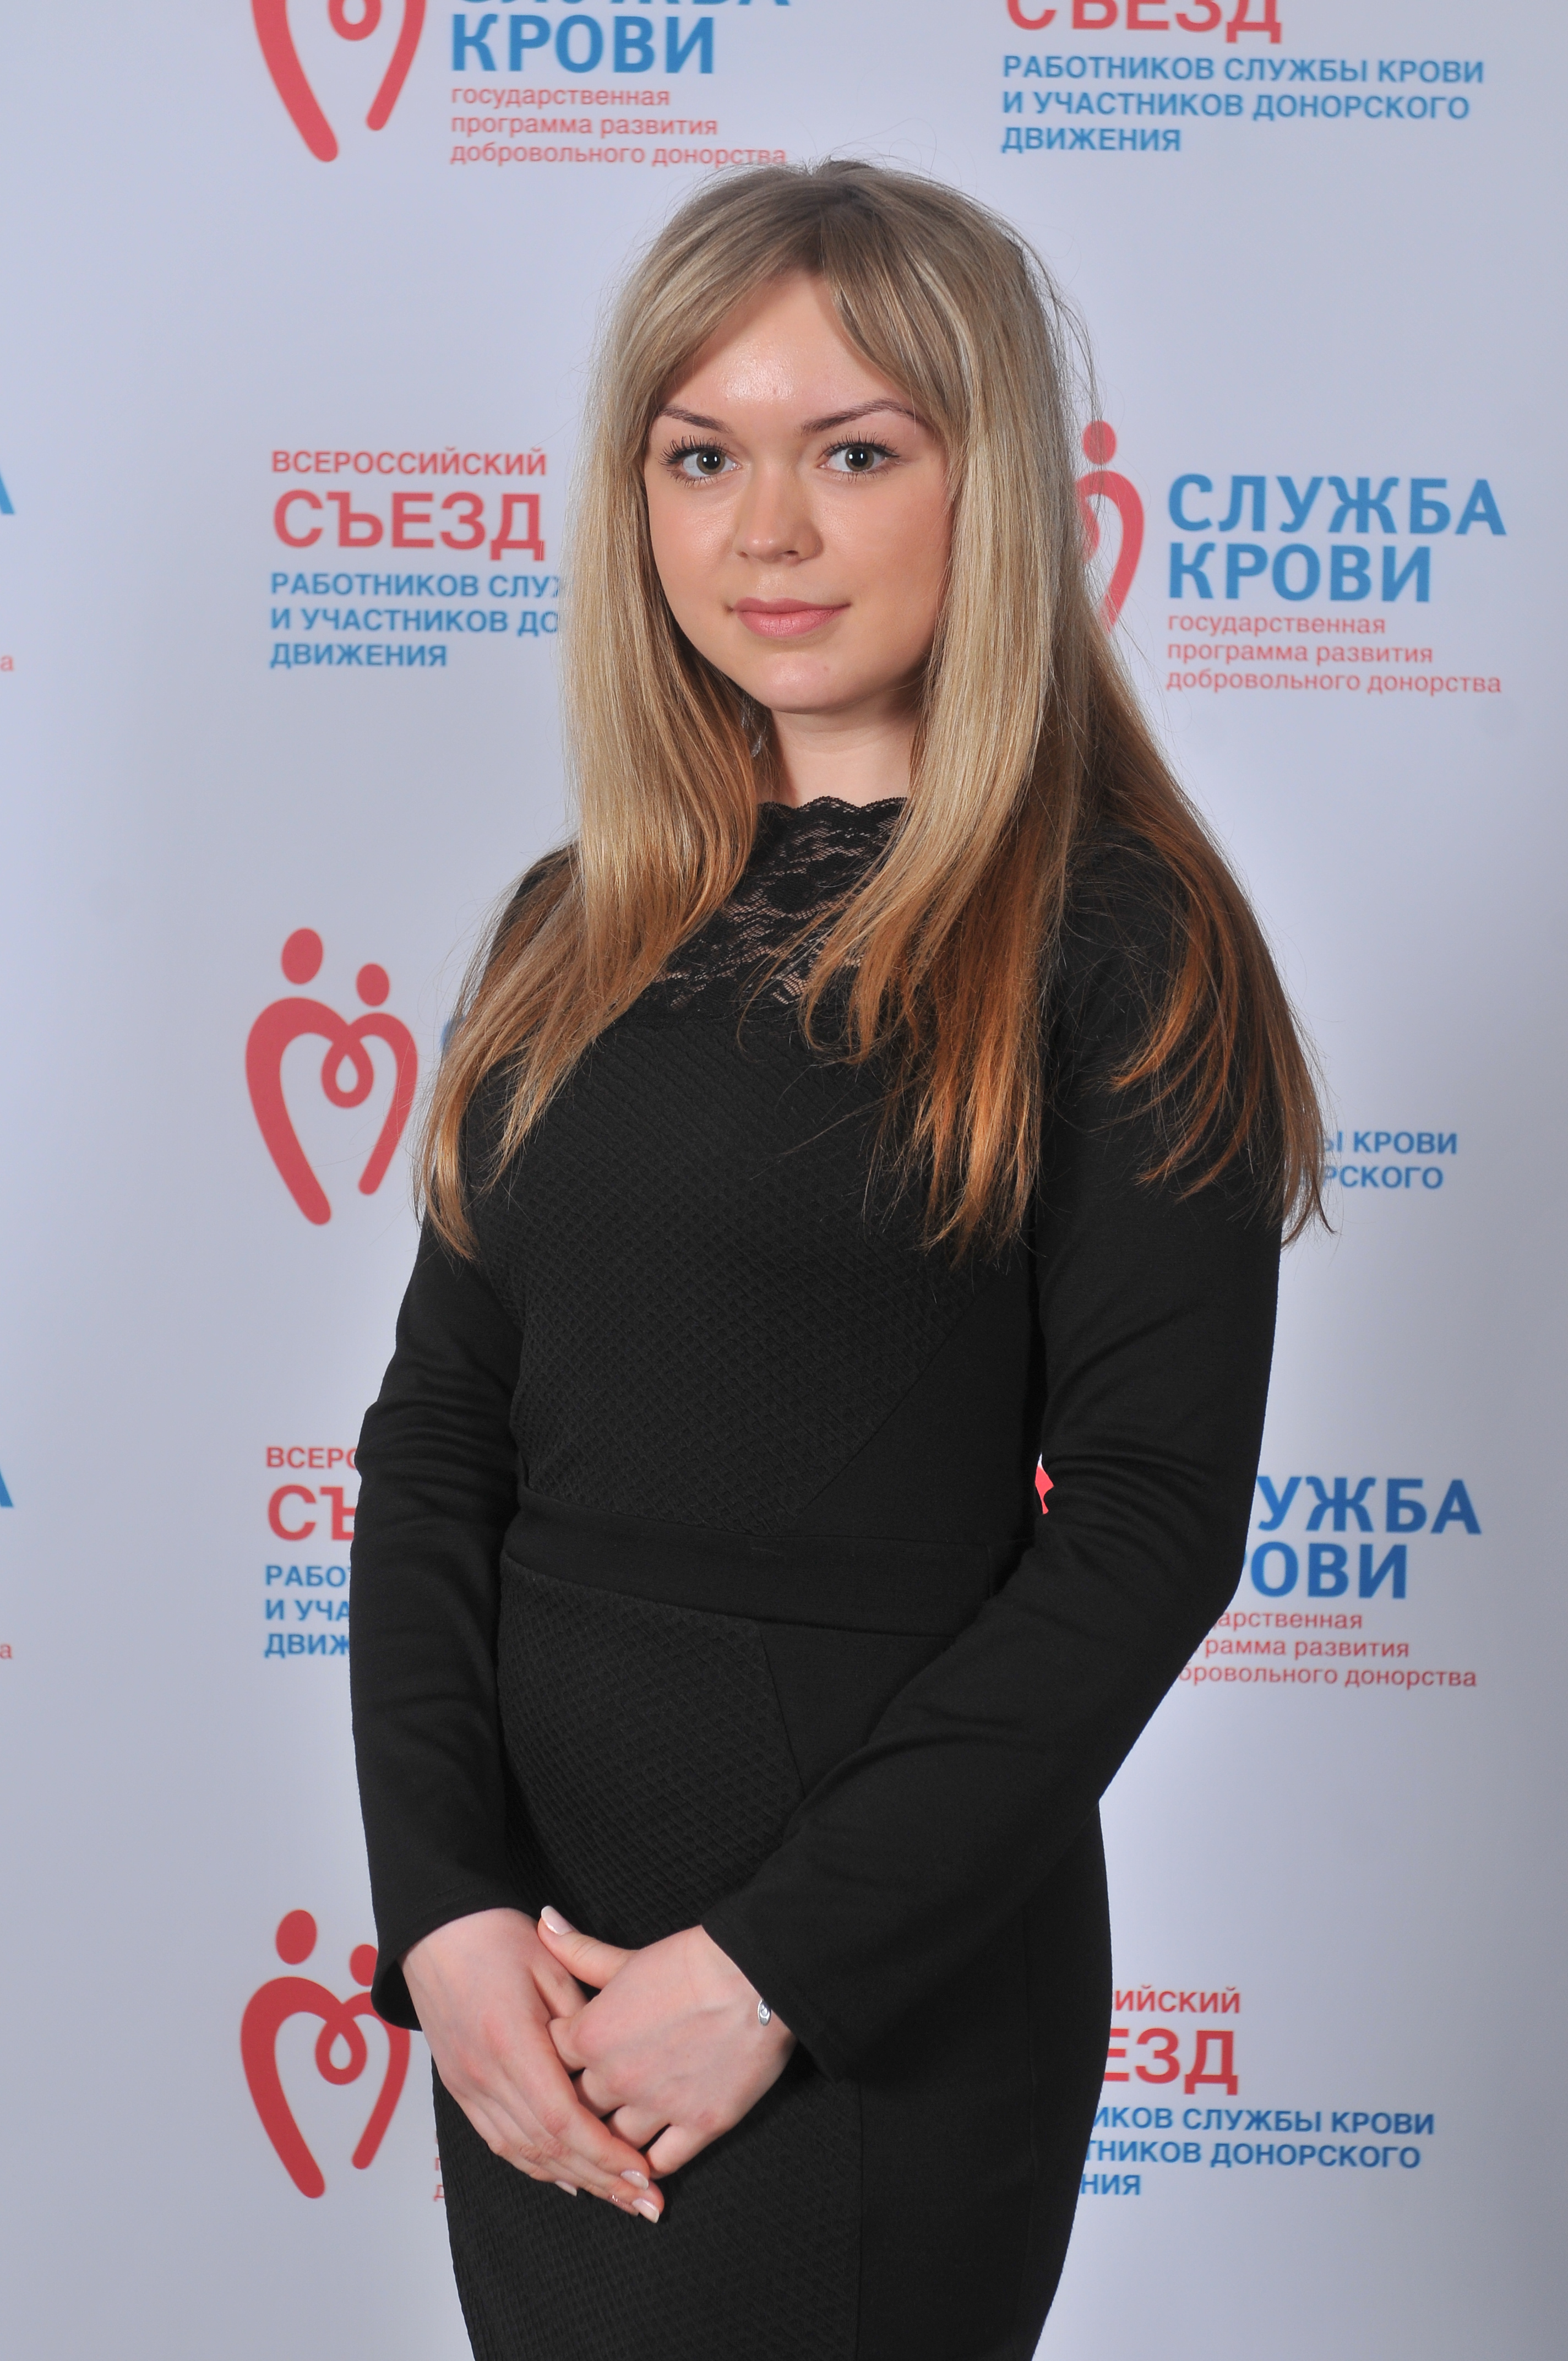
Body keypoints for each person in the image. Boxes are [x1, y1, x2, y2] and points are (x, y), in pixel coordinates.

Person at [349, 159, 1322, 2361]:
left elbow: (1147, 1529)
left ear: (993, 486)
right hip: (538, 1986)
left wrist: (774, 1970)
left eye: (854, 454)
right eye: (701, 457)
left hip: (865, 2002)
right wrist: (445, 1916)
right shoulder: (570, 925)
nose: (764, 532)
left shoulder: (1119, 944)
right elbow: (435, 1444)